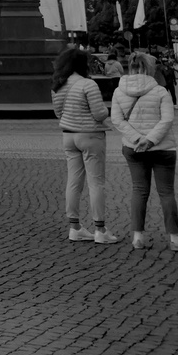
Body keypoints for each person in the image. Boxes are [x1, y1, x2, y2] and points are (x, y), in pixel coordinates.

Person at [112, 53, 178, 251]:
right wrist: (150, 140)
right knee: (166, 192)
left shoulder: (118, 91)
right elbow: (167, 120)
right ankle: (175, 239)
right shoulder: (161, 91)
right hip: (162, 147)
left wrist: (139, 139)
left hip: (133, 147)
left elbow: (117, 120)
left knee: (139, 190)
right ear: (150, 69)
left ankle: (138, 237)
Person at [51, 47, 117, 244]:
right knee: (96, 182)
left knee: (73, 181)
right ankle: (100, 229)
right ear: (82, 64)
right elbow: (99, 114)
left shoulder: (57, 85)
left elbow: (58, 113)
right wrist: (106, 111)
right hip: (90, 136)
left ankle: (75, 227)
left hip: (68, 136)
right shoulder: (88, 84)